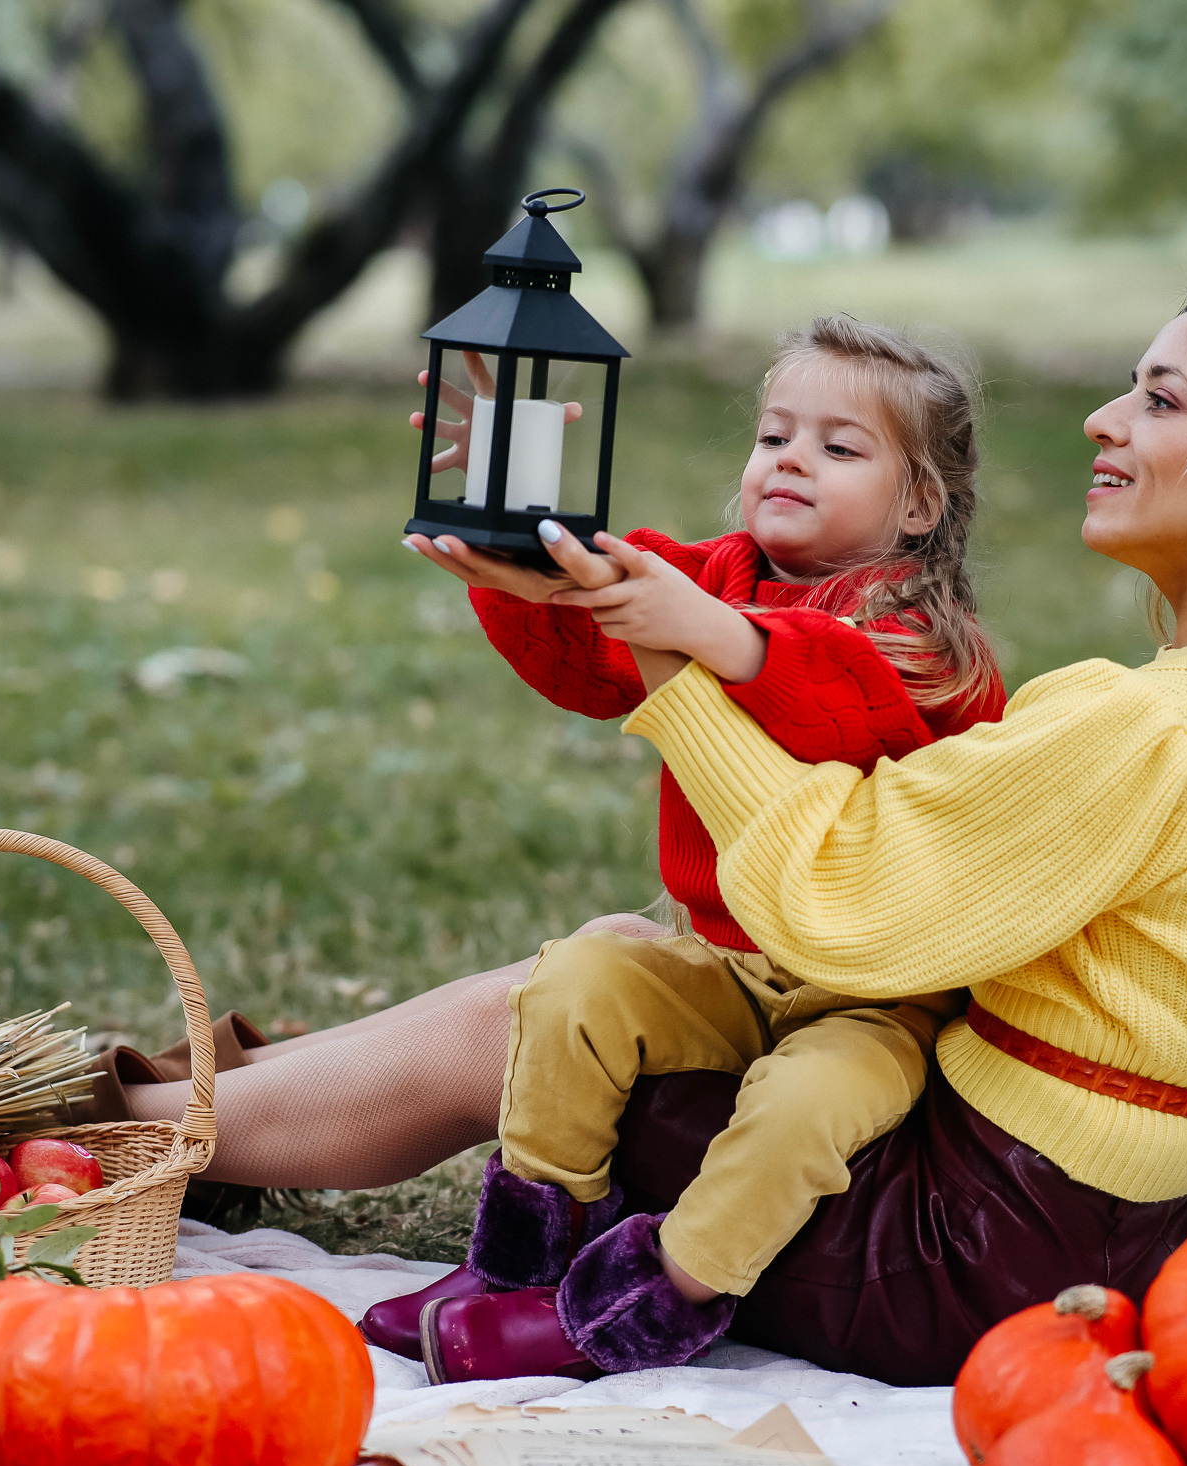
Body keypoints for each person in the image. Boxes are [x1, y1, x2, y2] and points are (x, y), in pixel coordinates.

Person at [120, 278, 1187, 1386]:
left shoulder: (1148, 726)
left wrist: (675, 671)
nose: (1101, 419)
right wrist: (559, 581)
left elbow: (847, 897)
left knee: (544, 1011)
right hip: (1106, 1224)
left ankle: (132, 1136)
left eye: (1158, 396)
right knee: (610, 956)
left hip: (952, 1255)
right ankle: (166, 1108)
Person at [371, 315, 1006, 1382]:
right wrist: (516, 535)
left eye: (840, 447)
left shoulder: (929, 644)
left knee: (805, 1106)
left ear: (919, 503)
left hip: (876, 994)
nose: (791, 458)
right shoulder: (709, 576)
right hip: (724, 968)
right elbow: (584, 660)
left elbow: (840, 699)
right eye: (774, 437)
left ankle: (650, 1297)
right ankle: (530, 1254)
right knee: (581, 975)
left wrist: (708, 631)